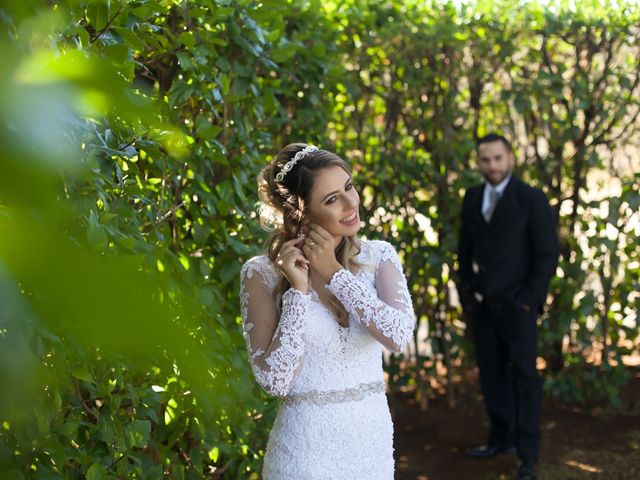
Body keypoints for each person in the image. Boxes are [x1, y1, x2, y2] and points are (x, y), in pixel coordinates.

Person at [239, 143, 415, 480]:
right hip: (304, 456)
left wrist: (336, 274)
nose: (352, 203)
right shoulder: (261, 274)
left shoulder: (379, 257)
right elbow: (274, 380)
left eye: (348, 187)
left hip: (372, 451)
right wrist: (298, 292)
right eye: (332, 199)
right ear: (300, 214)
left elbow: (398, 337)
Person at [456, 134, 558, 480]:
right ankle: (500, 440)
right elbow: (464, 252)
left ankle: (527, 456)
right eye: (486, 160)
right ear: (479, 163)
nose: (493, 166)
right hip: (483, 308)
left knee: (526, 379)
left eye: (498, 158)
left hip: (519, 308)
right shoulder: (472, 198)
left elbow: (546, 255)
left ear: (510, 158)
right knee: (491, 376)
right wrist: (468, 295)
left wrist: (528, 300)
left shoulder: (531, 199)